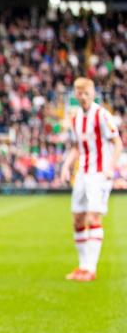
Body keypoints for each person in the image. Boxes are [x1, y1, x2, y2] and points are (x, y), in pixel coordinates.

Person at [60, 77, 122, 281]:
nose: (84, 97)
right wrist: (66, 166)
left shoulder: (102, 115)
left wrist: (109, 169)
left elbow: (118, 143)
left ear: (93, 93)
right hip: (83, 173)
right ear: (76, 95)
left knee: (93, 217)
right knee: (77, 218)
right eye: (80, 93)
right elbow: (77, 146)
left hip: (99, 174)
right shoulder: (76, 118)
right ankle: (82, 266)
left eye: (87, 93)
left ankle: (91, 269)